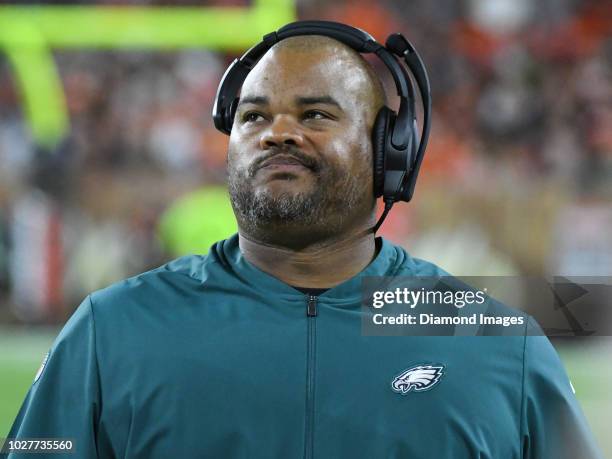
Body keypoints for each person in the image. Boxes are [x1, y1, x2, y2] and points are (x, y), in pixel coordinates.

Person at [5, 23, 603, 459]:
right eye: (254, 117)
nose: (277, 133)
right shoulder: (111, 332)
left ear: (389, 150)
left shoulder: (497, 344)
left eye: (315, 114)